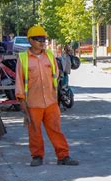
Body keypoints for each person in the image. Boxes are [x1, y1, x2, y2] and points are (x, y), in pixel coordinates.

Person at [15, 25, 78, 167]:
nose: (42, 42)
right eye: (38, 39)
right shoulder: (23, 59)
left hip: (50, 102)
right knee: (35, 131)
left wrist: (59, 96)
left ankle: (63, 156)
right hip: (33, 102)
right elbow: (19, 80)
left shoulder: (49, 56)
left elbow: (56, 76)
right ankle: (37, 156)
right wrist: (21, 101)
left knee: (56, 130)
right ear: (30, 41)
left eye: (44, 39)